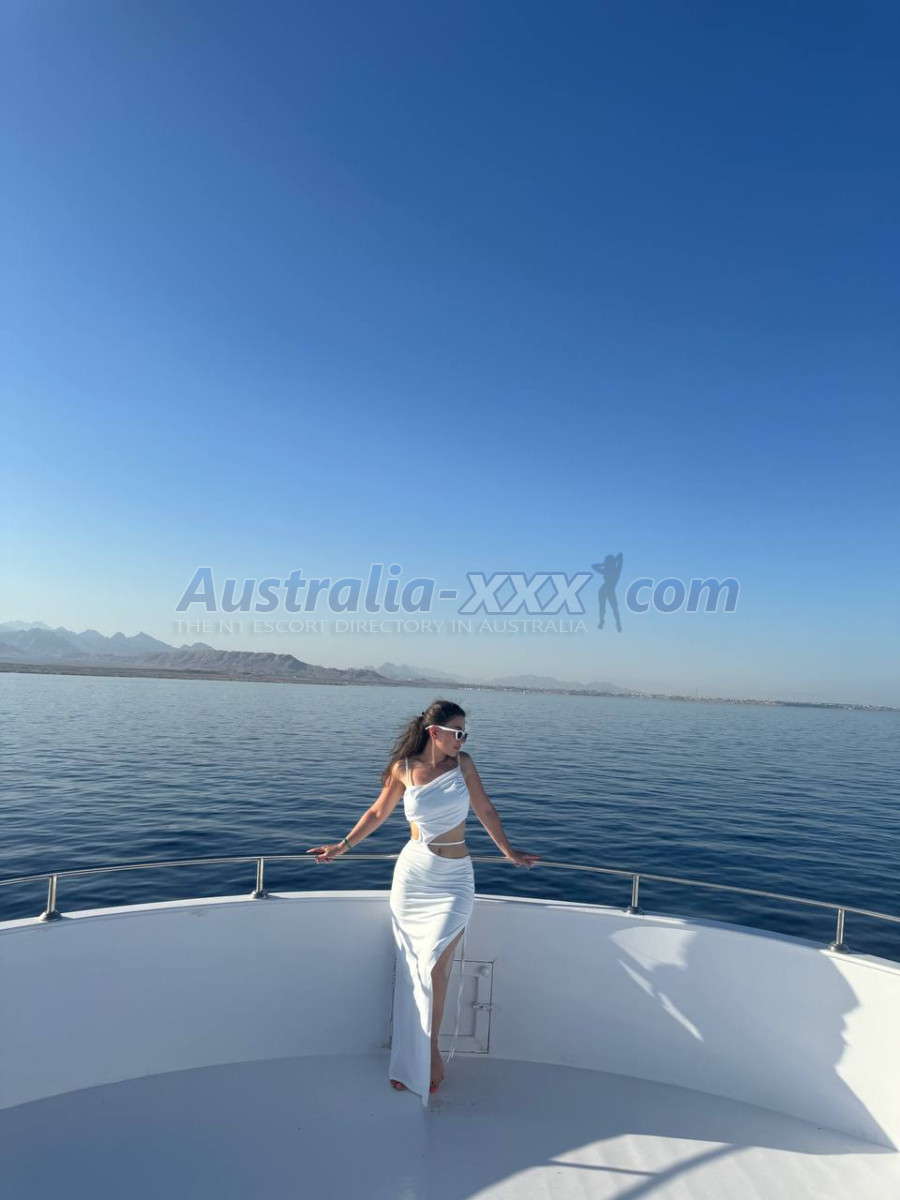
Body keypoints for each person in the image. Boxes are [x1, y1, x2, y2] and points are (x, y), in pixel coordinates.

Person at [306, 699, 541, 1104]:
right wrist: (341, 846)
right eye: (458, 732)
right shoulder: (403, 768)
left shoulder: (463, 765)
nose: (463, 739)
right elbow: (377, 813)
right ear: (435, 732)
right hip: (413, 878)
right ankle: (410, 1060)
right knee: (413, 970)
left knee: (433, 967)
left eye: (465, 733)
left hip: (454, 880)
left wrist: (508, 852)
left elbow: (485, 809)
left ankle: (428, 1052)